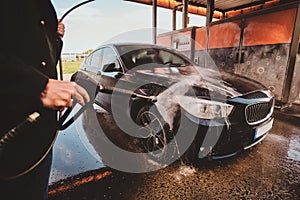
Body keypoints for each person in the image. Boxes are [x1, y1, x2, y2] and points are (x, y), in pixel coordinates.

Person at [0, 1, 90, 199]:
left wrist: (53, 37)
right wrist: (37, 87)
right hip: (9, 130)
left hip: (37, 137)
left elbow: (38, 57)